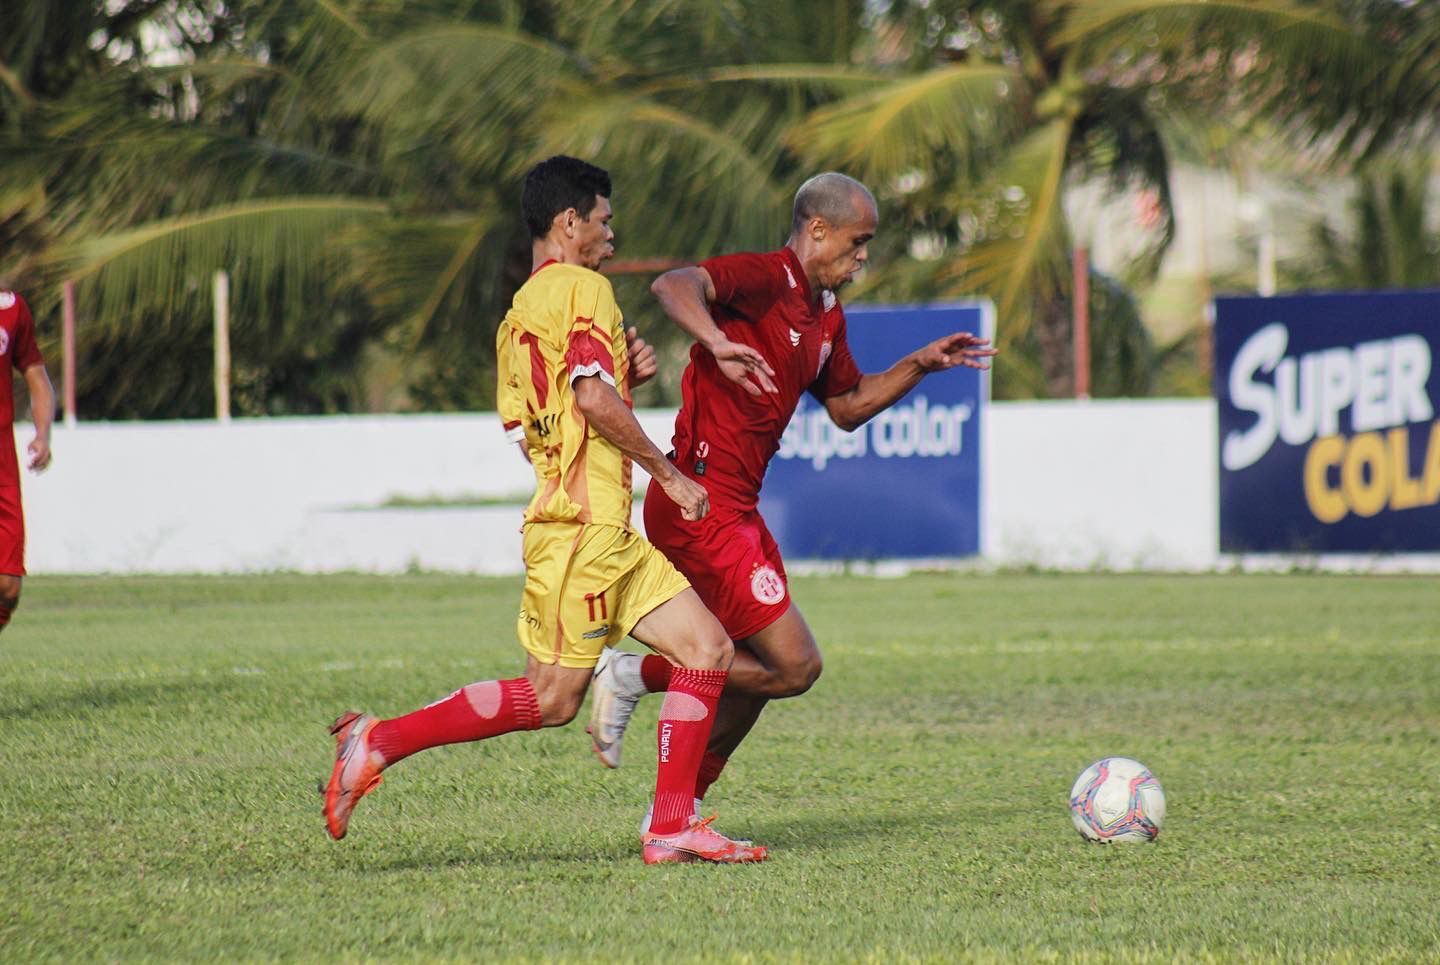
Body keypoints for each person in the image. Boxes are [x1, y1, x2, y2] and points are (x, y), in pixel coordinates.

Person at [323, 156, 766, 864]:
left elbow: (548, 425)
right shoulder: (583, 287)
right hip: (582, 536)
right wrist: (667, 472)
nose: (611, 236)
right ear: (570, 223)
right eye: (604, 220)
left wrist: (625, 377)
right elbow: (590, 401)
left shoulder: (520, 314)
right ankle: (376, 740)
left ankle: (672, 825)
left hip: (602, 532)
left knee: (706, 648)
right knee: (553, 698)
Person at [586, 172, 997, 831]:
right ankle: (635, 677)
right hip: (700, 502)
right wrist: (717, 340)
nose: (863, 256)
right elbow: (674, 285)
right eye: (857, 242)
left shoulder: (826, 312)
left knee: (759, 678)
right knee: (794, 664)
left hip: (735, 510)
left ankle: (678, 811)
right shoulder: (764, 277)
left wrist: (921, 362)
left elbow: (847, 407)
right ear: (817, 230)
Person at [0, 289, 55, 634]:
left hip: (2, 466)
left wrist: (43, 433)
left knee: (8, 588)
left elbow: (37, 378)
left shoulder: (11, 308)